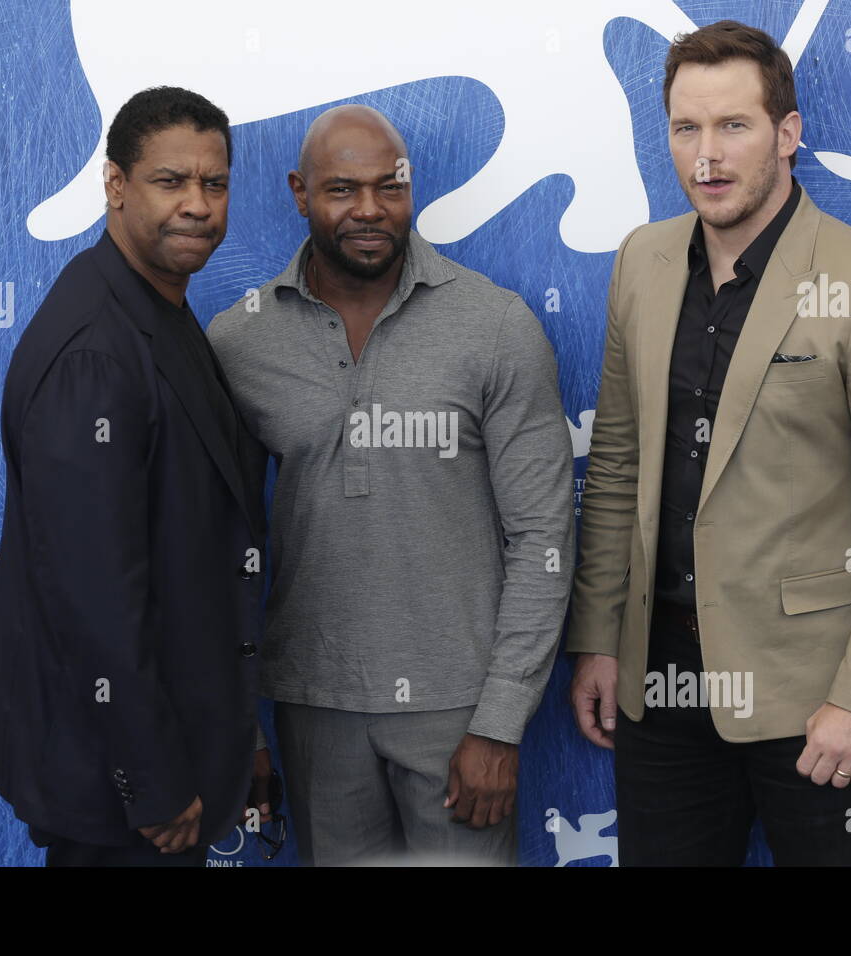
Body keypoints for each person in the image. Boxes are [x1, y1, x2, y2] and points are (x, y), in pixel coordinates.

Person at [566, 20, 851, 866]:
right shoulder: (642, 261)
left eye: (733, 126)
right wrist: (599, 636)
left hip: (814, 698)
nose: (706, 156)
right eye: (686, 128)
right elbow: (620, 465)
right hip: (657, 682)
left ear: (787, 133)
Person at [208, 105, 575, 866]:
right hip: (315, 704)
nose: (371, 210)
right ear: (299, 192)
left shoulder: (494, 325)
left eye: (391, 187)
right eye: (342, 189)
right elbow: (217, 544)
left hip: (459, 709)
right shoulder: (240, 340)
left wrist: (500, 723)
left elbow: (543, 536)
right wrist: (237, 724)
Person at [0, 87, 270, 866]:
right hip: (119, 780)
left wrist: (233, 737)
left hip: (169, 746)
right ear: (115, 185)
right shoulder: (96, 350)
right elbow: (91, 595)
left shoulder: (153, 306)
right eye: (170, 181)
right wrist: (149, 778)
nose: (198, 204)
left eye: (215, 184)